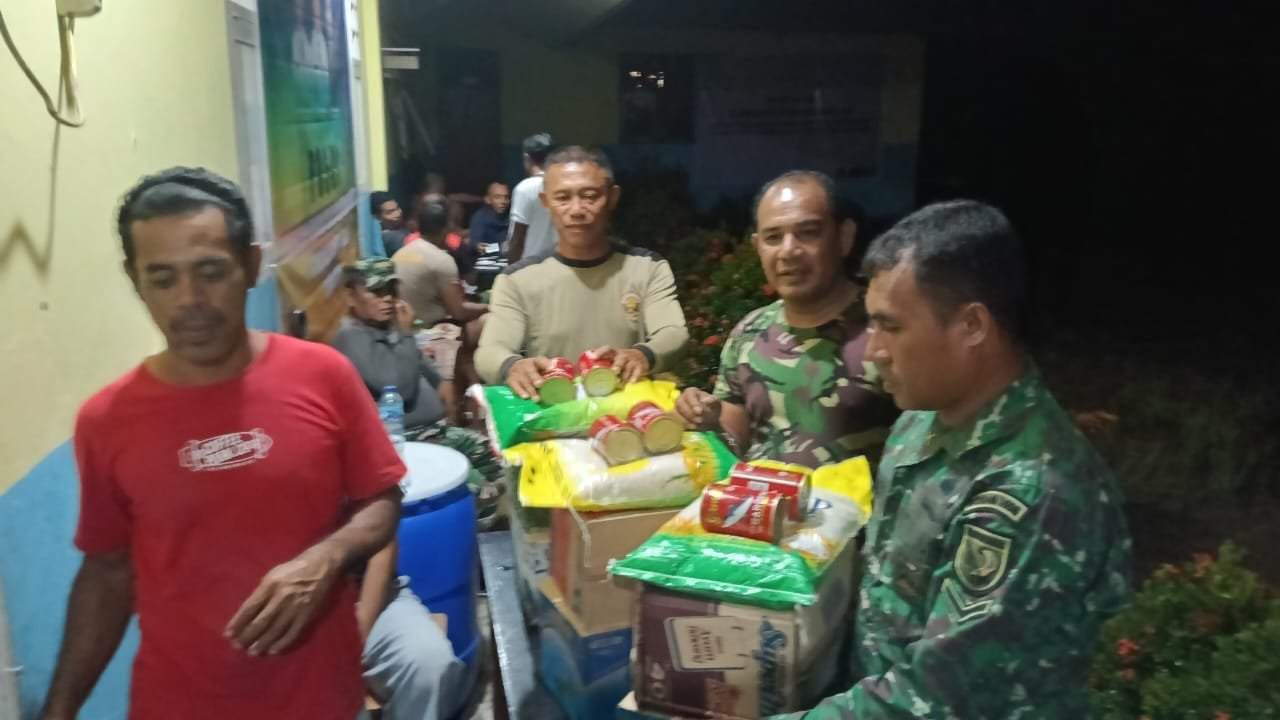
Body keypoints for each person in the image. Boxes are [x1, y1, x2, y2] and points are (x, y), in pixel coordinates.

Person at [40, 168, 404, 720]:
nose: (189, 300)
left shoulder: (323, 375)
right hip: (177, 703)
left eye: (210, 272)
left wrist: (327, 557)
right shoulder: (106, 421)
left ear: (251, 265)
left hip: (319, 696)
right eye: (162, 279)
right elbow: (108, 572)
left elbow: (381, 498)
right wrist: (59, 709)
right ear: (136, 280)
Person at [779, 201, 1132, 719]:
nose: (873, 351)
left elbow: (939, 698)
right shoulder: (923, 417)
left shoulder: (1029, 494)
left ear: (971, 325)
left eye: (890, 327)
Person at [674, 171, 900, 469]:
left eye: (808, 233)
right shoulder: (750, 331)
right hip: (761, 498)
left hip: (855, 500)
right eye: (773, 237)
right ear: (758, 247)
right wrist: (706, 419)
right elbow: (734, 441)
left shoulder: (888, 330)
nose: (788, 251)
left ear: (844, 237)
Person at [477, 146, 689, 398]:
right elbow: (490, 350)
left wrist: (643, 354)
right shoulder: (517, 280)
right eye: (562, 198)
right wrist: (511, 366)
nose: (576, 210)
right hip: (554, 415)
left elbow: (673, 332)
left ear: (612, 197)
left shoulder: (647, 268)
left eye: (590, 196)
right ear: (545, 202)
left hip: (631, 415)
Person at [333, 258, 503, 518]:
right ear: (351, 297)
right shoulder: (351, 338)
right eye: (375, 292)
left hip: (437, 431)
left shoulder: (386, 328)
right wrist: (405, 334)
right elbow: (398, 388)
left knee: (498, 462)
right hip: (407, 441)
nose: (387, 299)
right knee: (479, 493)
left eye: (390, 290)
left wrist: (445, 388)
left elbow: (429, 370)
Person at [392, 195, 489, 416]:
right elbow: (459, 311)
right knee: (487, 322)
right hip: (429, 331)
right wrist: (491, 307)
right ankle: (462, 406)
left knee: (465, 351)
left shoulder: (403, 252)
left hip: (403, 327)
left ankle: (469, 401)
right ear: (447, 228)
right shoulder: (440, 260)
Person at [505, 132, 558, 262]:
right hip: (559, 264)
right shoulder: (561, 185)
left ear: (526, 158)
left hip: (531, 266)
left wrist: (512, 269)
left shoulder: (525, 189)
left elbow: (517, 239)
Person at [371, 190, 408, 257]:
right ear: (377, 217)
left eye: (397, 208)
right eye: (390, 212)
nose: (398, 213)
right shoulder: (392, 237)